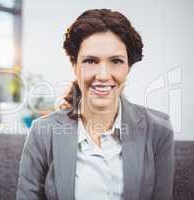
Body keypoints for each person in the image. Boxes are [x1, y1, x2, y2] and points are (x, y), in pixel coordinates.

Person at [16, 9, 174, 200]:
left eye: (116, 61)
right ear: (74, 65)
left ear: (128, 67)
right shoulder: (42, 133)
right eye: (90, 61)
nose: (103, 75)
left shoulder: (159, 129)